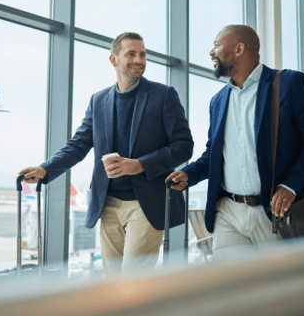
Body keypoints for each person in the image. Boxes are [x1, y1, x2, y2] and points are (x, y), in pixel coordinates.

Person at [20, 32, 193, 274]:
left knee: (133, 281)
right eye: (131, 54)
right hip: (108, 203)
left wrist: (140, 164)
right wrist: (46, 169)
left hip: (147, 204)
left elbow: (184, 146)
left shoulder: (163, 95)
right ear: (113, 60)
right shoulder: (98, 100)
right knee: (112, 282)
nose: (139, 60)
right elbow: (78, 144)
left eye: (142, 54)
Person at [167, 25, 304, 258]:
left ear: (238, 48)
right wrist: (189, 174)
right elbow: (213, 153)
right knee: (233, 289)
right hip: (228, 212)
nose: (211, 52)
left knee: (280, 288)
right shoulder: (218, 101)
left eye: (216, 45)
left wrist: (291, 185)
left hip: (274, 212)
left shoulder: (288, 84)